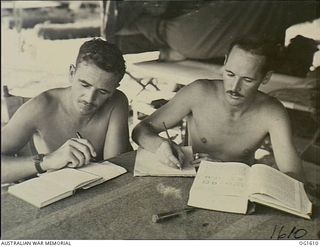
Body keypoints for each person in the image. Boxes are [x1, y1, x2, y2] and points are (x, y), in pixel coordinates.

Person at [132, 37, 305, 182]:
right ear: (224, 62)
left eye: (247, 79)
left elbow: (295, 177)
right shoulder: (199, 92)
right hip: (189, 179)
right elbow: (140, 130)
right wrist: (160, 145)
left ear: (265, 77)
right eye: (230, 74)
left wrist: (226, 171)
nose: (234, 87)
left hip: (237, 185)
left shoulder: (272, 112)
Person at [1, 38, 132, 183]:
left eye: (102, 92)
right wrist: (47, 161)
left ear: (114, 90)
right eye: (84, 84)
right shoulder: (41, 107)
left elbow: (115, 169)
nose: (89, 98)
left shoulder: (116, 102)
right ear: (71, 73)